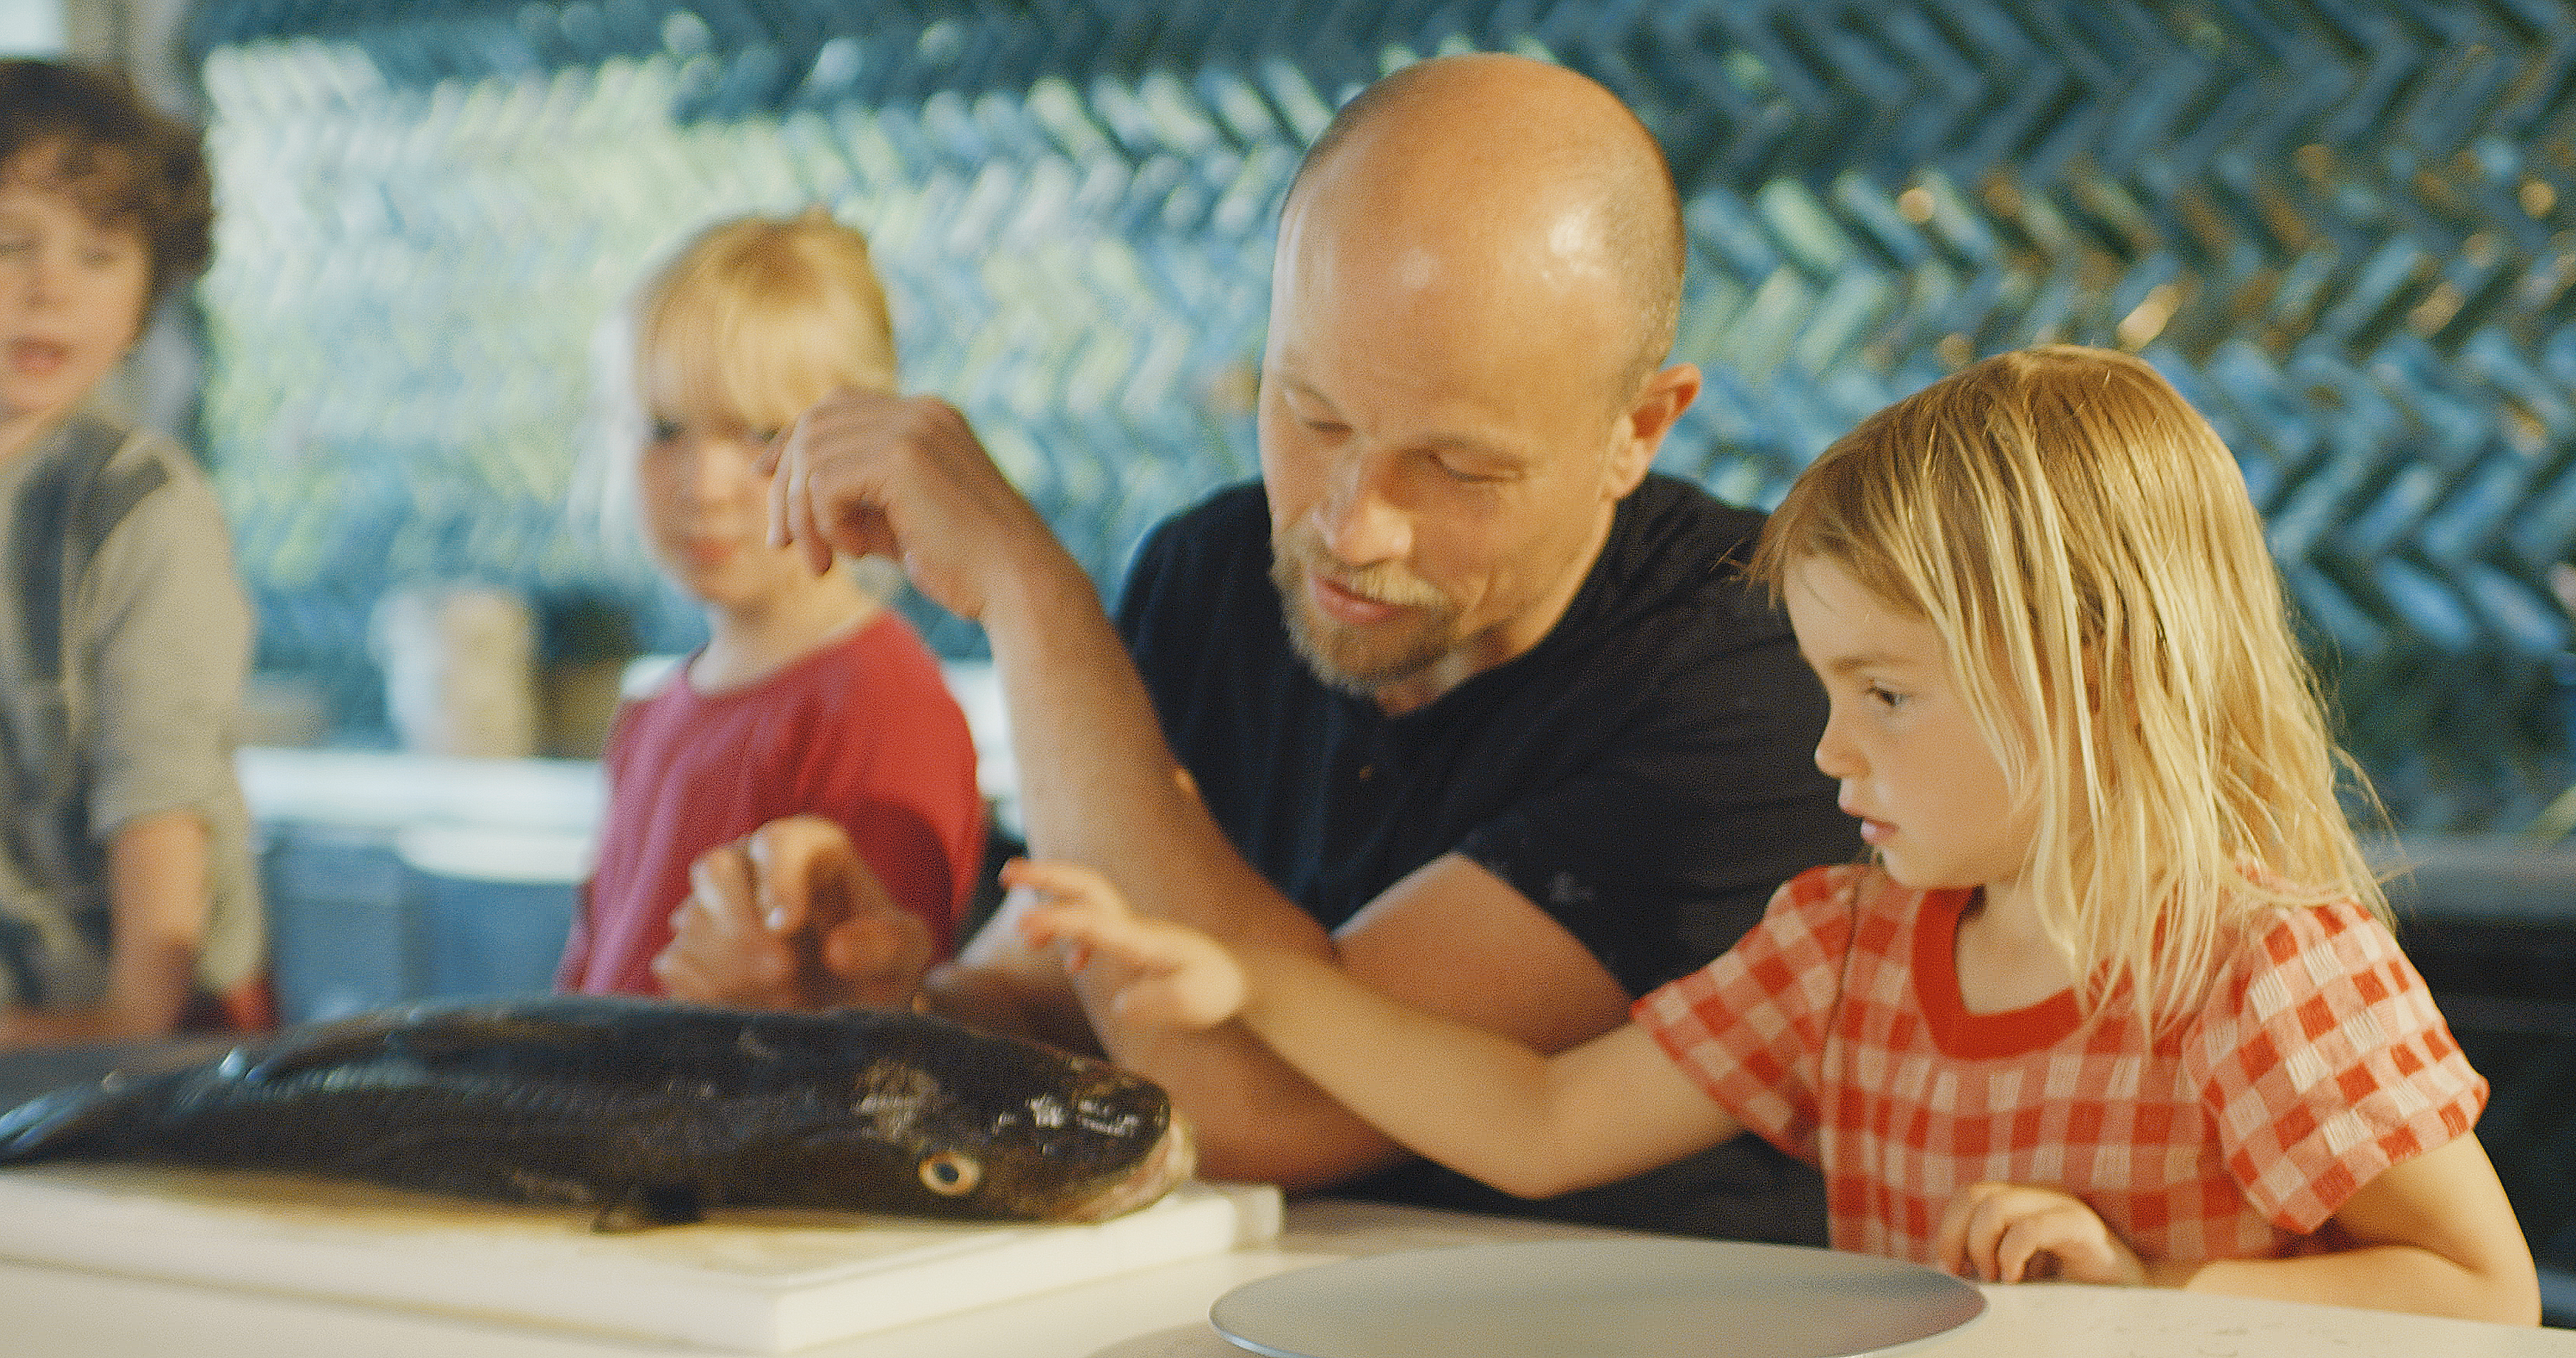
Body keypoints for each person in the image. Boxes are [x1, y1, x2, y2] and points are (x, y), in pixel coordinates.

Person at [1013, 345, 2541, 1325]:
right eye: (1827, 686)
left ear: (2093, 673)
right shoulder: (1844, 945)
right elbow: (1538, 1120)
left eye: (1885, 692)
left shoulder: (2264, 966)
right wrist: (1255, 985)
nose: (1828, 749)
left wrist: (2151, 1296)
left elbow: (2480, 1290)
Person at [658, 53, 1858, 1240]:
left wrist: (1029, 595)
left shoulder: (1762, 677)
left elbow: (1261, 1101)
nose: (1350, 525)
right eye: (1311, 414)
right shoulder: (1212, 575)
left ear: (1637, 430)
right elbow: (1069, 995)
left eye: (1457, 466)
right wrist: (884, 1006)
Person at [553, 211, 983, 1000]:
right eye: (663, 430)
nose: (703, 486)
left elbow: (888, 1028)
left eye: (758, 433)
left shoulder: (884, 709)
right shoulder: (647, 715)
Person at [0, 59, 266, 1047]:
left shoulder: (142, 509)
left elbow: (158, 791)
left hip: (148, 1020)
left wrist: (126, 1027)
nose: (49, 287)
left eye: (102, 254)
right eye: (8, 244)